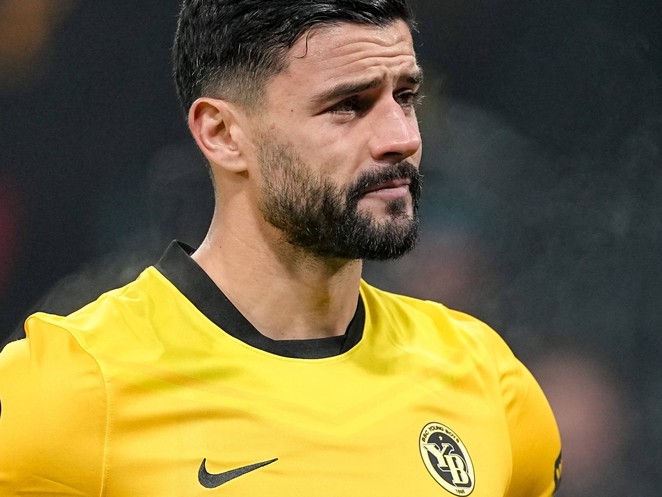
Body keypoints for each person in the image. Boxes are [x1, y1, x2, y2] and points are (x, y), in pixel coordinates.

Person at [0, 0, 562, 495]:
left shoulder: (488, 381)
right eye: (348, 105)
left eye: (406, 96)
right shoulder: (70, 391)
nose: (402, 137)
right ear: (221, 134)